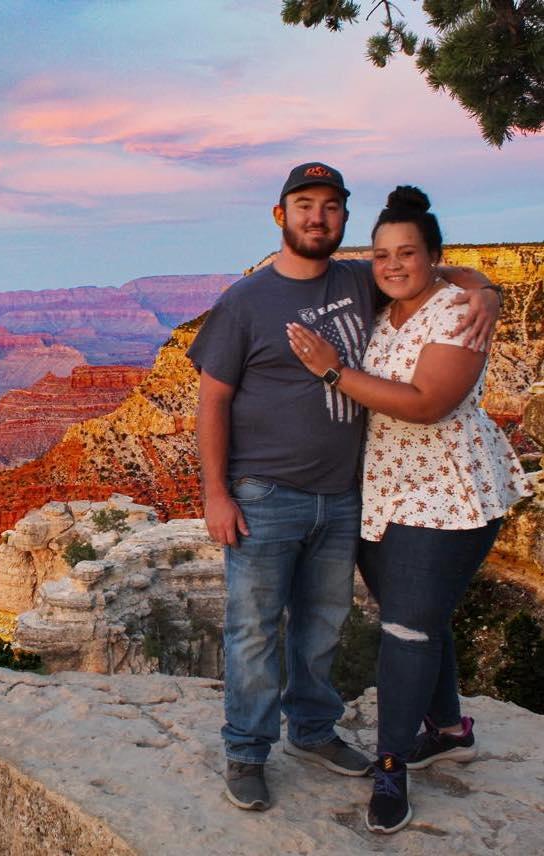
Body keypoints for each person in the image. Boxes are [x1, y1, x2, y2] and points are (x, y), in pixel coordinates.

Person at [186, 163, 500, 813]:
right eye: (304, 205)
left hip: (348, 496)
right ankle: (246, 750)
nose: (317, 217)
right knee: (254, 630)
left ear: (343, 220)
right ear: (281, 215)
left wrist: (486, 289)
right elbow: (211, 402)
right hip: (265, 495)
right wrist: (216, 493)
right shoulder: (245, 302)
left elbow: (434, 272)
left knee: (323, 626)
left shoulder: (362, 279)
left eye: (331, 207)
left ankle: (312, 732)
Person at [286, 185, 531, 834]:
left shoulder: (457, 315)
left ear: (433, 255)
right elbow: (457, 270)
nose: (393, 264)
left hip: (450, 493)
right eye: (382, 253)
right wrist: (485, 281)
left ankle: (392, 764)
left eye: (408, 253)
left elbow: (426, 402)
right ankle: (449, 728)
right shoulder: (383, 306)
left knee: (406, 631)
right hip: (382, 491)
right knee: (416, 617)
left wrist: (333, 372)